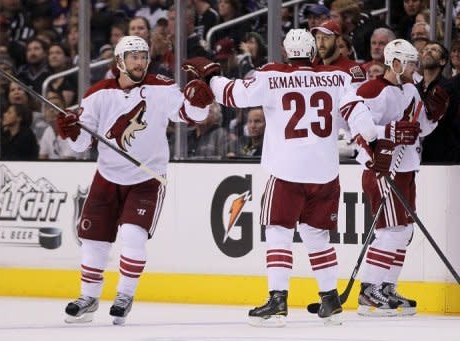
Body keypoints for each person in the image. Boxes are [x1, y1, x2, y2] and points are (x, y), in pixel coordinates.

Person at [182, 29, 420, 326]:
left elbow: (234, 94)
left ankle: (278, 300)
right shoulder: (338, 78)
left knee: (278, 231)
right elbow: (364, 124)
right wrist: (375, 145)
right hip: (324, 173)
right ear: (312, 53)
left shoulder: (271, 76)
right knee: (317, 235)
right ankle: (330, 299)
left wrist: (210, 79)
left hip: (287, 171)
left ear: (286, 52)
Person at [58, 36, 214, 325]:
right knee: (93, 239)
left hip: (146, 178)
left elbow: (191, 114)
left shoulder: (162, 88)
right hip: (106, 176)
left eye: (143, 56)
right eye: (133, 57)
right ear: (119, 62)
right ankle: (88, 297)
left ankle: (124, 295)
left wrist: (200, 102)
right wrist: (69, 130)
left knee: (132, 235)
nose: (140, 61)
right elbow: (81, 145)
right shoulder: (97, 94)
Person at [348, 39, 440, 316]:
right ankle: (368, 291)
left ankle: (386, 286)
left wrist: (434, 116)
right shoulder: (372, 90)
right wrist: (388, 135)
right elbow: (360, 132)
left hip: (407, 168)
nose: (416, 68)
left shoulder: (411, 89)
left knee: (405, 232)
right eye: (411, 63)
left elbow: (418, 130)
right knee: (391, 231)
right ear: (396, 63)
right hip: (383, 170)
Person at [311, 20, 366, 87]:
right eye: (318, 38)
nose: (321, 44)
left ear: (338, 40)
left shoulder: (353, 69)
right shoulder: (311, 66)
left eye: (325, 38)